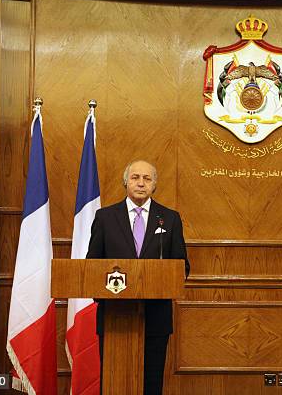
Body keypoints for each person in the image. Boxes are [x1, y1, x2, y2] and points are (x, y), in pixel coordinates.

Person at [87, 160, 190, 395]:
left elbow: (182, 266)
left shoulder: (170, 219)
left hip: (156, 316)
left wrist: (161, 279)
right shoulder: (105, 217)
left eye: (147, 178)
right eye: (135, 178)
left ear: (154, 185)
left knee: (151, 384)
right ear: (126, 182)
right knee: (114, 383)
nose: (141, 183)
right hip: (115, 316)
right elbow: (92, 265)